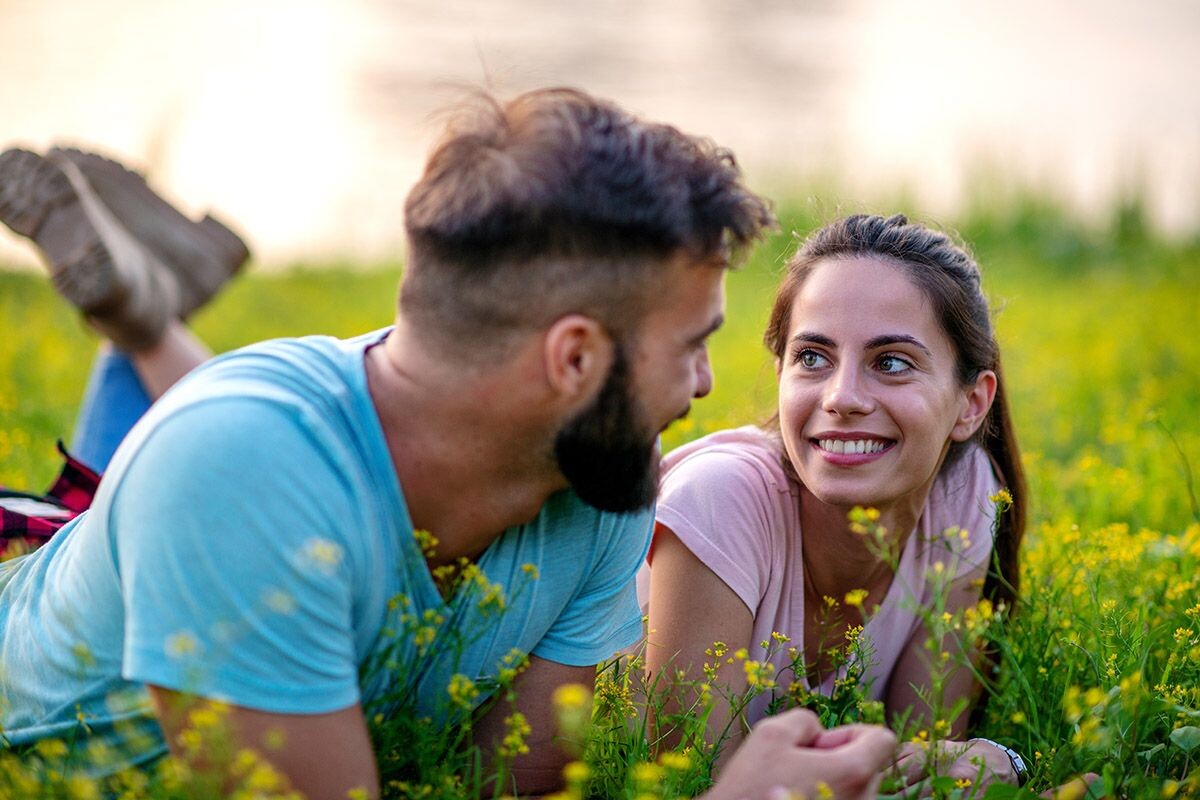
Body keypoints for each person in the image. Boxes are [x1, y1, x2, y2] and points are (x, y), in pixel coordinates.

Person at [0, 90, 897, 800]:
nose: (702, 386)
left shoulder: (594, 491)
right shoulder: (240, 474)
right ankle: (142, 323)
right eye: (692, 344)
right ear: (575, 358)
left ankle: (142, 316)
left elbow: (507, 785)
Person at [639, 214, 1030, 789]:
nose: (842, 397)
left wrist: (1004, 763)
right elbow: (693, 787)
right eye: (813, 358)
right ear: (780, 374)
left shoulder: (963, 493)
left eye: (891, 362)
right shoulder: (717, 502)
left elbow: (918, 767)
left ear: (971, 403)